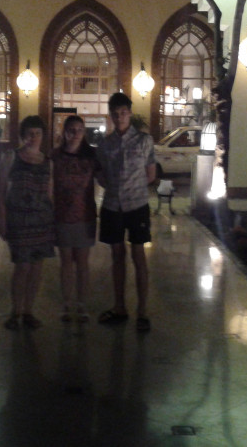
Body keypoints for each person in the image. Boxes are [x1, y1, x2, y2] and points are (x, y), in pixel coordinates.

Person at [96, 92, 156, 332]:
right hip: (112, 206)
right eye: (115, 113)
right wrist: (114, 187)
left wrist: (132, 188)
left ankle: (143, 311)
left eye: (123, 112)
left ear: (129, 113)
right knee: (117, 256)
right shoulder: (105, 144)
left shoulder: (144, 141)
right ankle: (119, 306)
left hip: (137, 206)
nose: (119, 117)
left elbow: (151, 174)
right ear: (110, 116)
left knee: (138, 256)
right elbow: (100, 174)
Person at [0, 115, 55, 330]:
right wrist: (2, 220)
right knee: (22, 266)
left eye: (37, 133)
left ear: (43, 136)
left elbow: (50, 194)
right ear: (22, 136)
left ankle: (29, 311)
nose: (33, 137)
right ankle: (16, 311)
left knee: (37, 268)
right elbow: (1, 192)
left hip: (42, 221)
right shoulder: (11, 157)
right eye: (29, 133)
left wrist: (53, 221)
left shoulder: (48, 162)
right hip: (19, 220)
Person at [51, 115, 100, 323]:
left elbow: (104, 178)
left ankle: (81, 304)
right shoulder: (55, 156)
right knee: (65, 263)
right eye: (71, 130)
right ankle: (66, 303)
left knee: (82, 263)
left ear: (84, 132)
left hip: (85, 214)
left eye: (80, 130)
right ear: (64, 132)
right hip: (61, 215)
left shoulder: (91, 156)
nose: (75, 134)